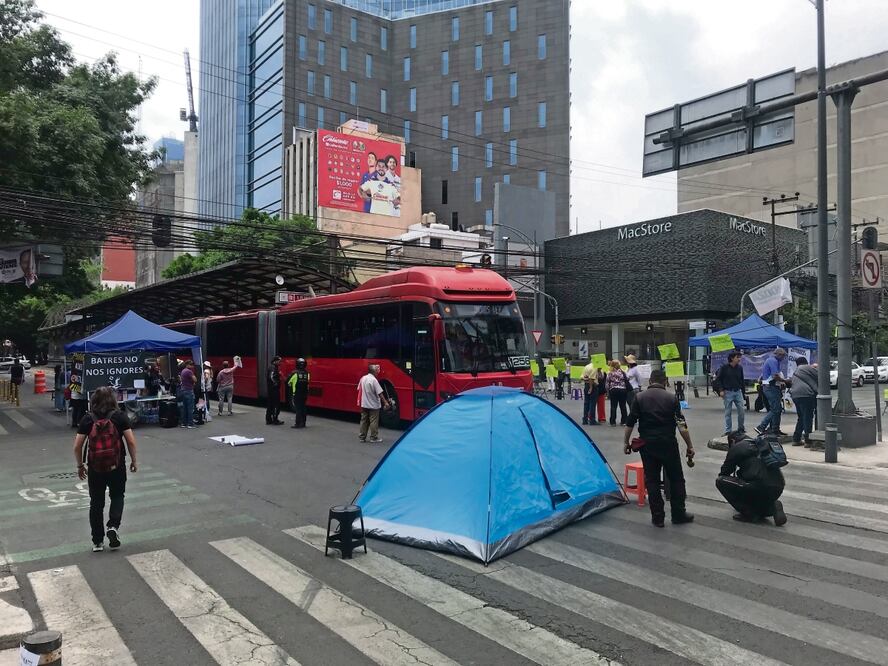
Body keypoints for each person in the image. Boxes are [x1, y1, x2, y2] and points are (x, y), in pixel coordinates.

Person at [624, 369, 695, 528]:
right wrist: (689, 445)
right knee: (676, 479)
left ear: (650, 382)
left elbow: (630, 422)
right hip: (668, 443)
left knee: (652, 480)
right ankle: (678, 514)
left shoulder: (639, 398)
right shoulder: (672, 398)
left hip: (647, 445)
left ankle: (658, 517)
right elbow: (681, 424)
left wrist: (626, 442)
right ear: (665, 382)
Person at [73, 386, 139, 552]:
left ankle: (97, 541)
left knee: (96, 503)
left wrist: (80, 465)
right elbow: (131, 441)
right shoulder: (119, 417)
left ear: (94, 401)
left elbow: (77, 446)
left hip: (95, 468)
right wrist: (134, 461)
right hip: (116, 465)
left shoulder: (88, 419)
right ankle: (113, 526)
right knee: (117, 496)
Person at [716, 430, 786, 525]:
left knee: (720, 481)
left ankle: (749, 513)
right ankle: (771, 506)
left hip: (759, 486)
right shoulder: (761, 444)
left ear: (732, 441)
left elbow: (724, 472)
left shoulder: (737, 447)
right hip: (778, 486)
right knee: (750, 483)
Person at [712, 351, 746, 435]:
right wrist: (721, 390)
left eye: (739, 357)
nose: (739, 359)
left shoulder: (740, 368)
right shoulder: (724, 368)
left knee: (741, 411)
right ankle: (728, 431)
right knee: (728, 412)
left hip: (738, 391)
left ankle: (741, 428)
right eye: (737, 357)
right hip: (728, 392)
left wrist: (743, 392)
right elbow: (718, 379)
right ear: (732, 358)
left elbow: (742, 380)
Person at [756, 347, 787, 435]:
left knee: (777, 409)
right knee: (775, 409)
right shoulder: (773, 361)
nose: (783, 358)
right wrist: (784, 381)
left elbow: (765, 375)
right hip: (770, 387)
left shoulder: (772, 361)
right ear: (778, 354)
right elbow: (775, 376)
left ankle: (775, 429)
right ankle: (761, 426)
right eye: (783, 356)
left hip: (770, 386)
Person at [358, 364, 391, 443]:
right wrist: (386, 403)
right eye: (376, 371)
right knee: (373, 421)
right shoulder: (374, 380)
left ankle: (362, 437)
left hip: (364, 404)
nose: (377, 372)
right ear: (374, 372)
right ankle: (373, 438)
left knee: (364, 421)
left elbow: (359, 389)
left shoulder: (363, 378)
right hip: (373, 405)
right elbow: (380, 393)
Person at [789, 357, 818, 448]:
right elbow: (821, 375)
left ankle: (796, 439)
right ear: (805, 362)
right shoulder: (805, 367)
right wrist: (816, 367)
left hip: (795, 395)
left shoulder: (797, 370)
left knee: (801, 417)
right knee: (807, 417)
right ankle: (808, 441)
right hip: (806, 395)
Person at [287, 358, 310, 428]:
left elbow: (288, 382)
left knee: (298, 409)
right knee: (303, 408)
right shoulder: (307, 373)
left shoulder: (294, 373)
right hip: (305, 394)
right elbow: (308, 383)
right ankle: (303, 423)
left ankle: (298, 423)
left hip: (297, 394)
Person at [605, 360, 629, 426]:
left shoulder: (610, 373)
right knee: (623, 406)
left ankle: (613, 422)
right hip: (622, 390)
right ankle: (624, 421)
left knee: (613, 406)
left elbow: (607, 383)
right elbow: (627, 379)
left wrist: (607, 392)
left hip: (613, 390)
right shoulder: (623, 372)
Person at [178, 360, 197, 429]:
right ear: (187, 364)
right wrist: (193, 379)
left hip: (183, 390)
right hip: (189, 390)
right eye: (191, 365)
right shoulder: (189, 371)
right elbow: (195, 380)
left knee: (185, 408)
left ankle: (184, 423)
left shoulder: (183, 371)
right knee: (190, 408)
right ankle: (190, 424)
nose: (192, 366)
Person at [266, 356, 284, 425]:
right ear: (275, 361)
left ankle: (269, 419)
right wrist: (276, 383)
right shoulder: (273, 368)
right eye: (279, 361)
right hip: (274, 389)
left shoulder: (271, 367)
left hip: (271, 389)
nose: (280, 362)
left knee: (270, 404)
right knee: (276, 404)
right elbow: (271, 377)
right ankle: (275, 419)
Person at [581, 360, 598, 425]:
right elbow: (592, 378)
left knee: (586, 403)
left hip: (586, 385)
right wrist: (591, 387)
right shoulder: (594, 367)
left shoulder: (586, 366)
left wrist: (586, 381)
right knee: (592, 404)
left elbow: (582, 377)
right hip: (593, 386)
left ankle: (585, 419)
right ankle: (592, 419)